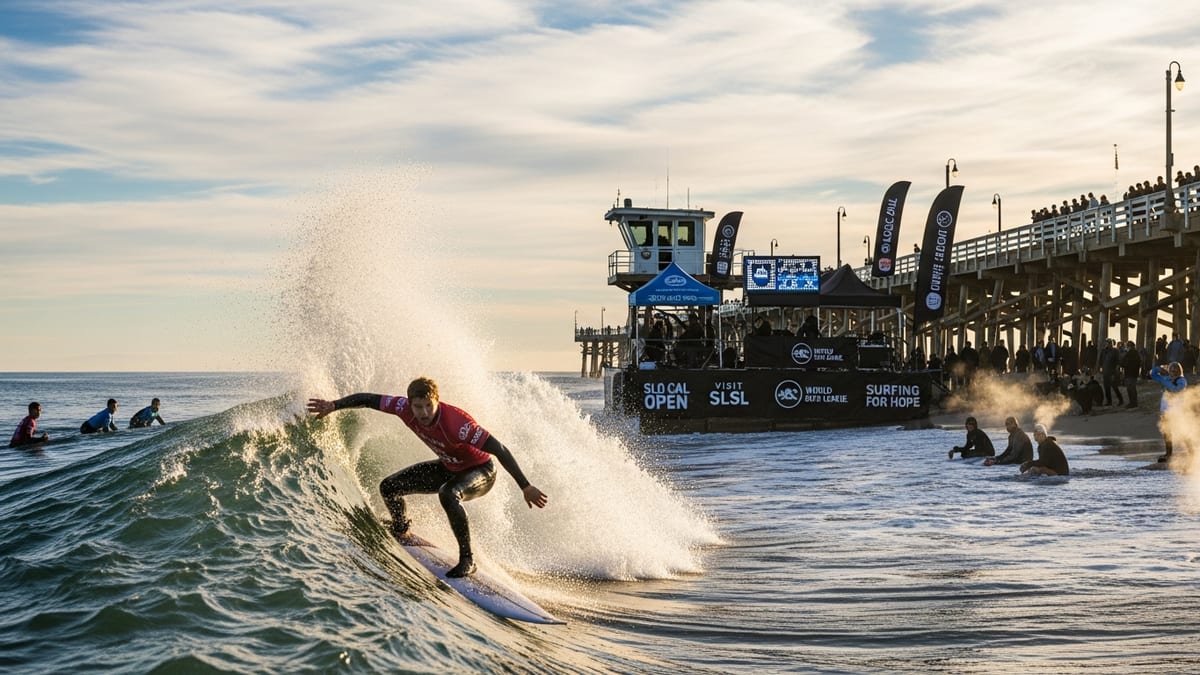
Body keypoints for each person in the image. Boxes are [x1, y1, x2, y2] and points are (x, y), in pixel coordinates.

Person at [307, 377, 548, 578]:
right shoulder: (402, 408)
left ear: (436, 401)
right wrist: (334, 405)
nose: (422, 413)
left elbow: (499, 449)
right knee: (389, 487)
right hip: (449, 467)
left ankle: (468, 560)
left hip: (481, 471)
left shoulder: (457, 423)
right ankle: (401, 529)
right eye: (417, 407)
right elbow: (369, 400)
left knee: (449, 494)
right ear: (409, 404)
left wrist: (525, 486)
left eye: (428, 406)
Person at [1150, 361, 1187, 464]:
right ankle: (1169, 454)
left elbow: (1175, 390)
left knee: (1182, 430)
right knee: (1166, 432)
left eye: (1176, 370)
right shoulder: (1166, 378)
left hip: (1177, 410)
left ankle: (1191, 451)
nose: (1173, 371)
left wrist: (1165, 381)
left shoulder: (1182, 381)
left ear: (1180, 371)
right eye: (1171, 369)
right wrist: (1159, 368)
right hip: (1165, 409)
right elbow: (1153, 374)